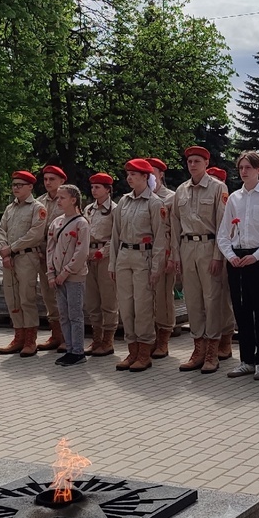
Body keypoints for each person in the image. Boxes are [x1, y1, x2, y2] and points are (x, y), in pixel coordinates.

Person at [217, 152, 259, 380]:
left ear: (258, 170)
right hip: (237, 259)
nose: (244, 171)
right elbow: (223, 234)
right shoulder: (234, 198)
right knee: (241, 311)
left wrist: (257, 255)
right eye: (241, 167)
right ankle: (246, 359)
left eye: (249, 167)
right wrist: (230, 255)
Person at [169, 147, 229, 373]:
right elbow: (175, 224)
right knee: (193, 301)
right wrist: (176, 255)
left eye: (197, 161)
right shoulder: (181, 190)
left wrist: (217, 256)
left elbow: (223, 223)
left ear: (206, 163)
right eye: (189, 161)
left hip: (208, 245)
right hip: (187, 247)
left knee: (212, 300)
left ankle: (213, 350)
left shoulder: (217, 187)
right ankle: (198, 348)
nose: (192, 165)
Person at [110, 158, 166, 372]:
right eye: (128, 174)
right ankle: (132, 349)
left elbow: (160, 238)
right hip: (124, 255)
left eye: (134, 174)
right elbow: (115, 235)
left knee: (142, 306)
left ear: (145, 177)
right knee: (125, 305)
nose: (129, 178)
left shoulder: (154, 203)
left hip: (144, 257)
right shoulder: (123, 202)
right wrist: (112, 263)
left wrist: (156, 268)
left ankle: (144, 351)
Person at [0, 170, 48, 357]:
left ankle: (30, 340)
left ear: (30, 187)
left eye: (20, 185)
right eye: (14, 185)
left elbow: (35, 234)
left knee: (26, 297)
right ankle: (18, 335)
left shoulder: (37, 207)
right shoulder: (10, 208)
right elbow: (1, 230)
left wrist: (12, 248)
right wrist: (5, 251)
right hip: (9, 258)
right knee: (12, 297)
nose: (16, 188)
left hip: (26, 257)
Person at [47, 185, 90, 366]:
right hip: (57, 275)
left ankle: (78, 351)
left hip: (73, 276)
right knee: (63, 314)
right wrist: (51, 273)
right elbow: (50, 248)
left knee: (75, 314)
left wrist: (65, 272)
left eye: (62, 198)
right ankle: (69, 347)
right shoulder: (56, 222)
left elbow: (81, 252)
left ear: (74, 200)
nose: (58, 201)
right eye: (58, 198)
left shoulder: (81, 223)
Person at [82, 172, 118, 357]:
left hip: (106, 257)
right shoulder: (88, 209)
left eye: (98, 187)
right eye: (92, 187)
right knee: (92, 300)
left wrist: (101, 252)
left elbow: (116, 236)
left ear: (108, 189)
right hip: (88, 256)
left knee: (108, 300)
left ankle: (108, 340)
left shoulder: (115, 209)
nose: (94, 190)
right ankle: (96, 339)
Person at [35, 165, 69, 352]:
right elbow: (36, 228)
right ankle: (55, 334)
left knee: (63, 297)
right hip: (43, 256)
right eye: (46, 179)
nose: (48, 182)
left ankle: (66, 336)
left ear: (62, 181)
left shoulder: (69, 200)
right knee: (48, 297)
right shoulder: (40, 202)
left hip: (63, 257)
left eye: (52, 179)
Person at [147, 157, 177, 359]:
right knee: (145, 298)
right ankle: (148, 338)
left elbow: (175, 230)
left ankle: (164, 338)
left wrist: (172, 256)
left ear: (161, 174)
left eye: (153, 173)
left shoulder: (171, 198)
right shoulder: (141, 197)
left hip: (164, 252)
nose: (149, 176)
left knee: (164, 297)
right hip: (143, 253)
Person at [208, 165, 238, 360]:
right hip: (201, 249)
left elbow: (227, 229)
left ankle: (225, 339)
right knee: (208, 299)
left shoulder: (225, 198)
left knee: (223, 299)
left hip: (223, 252)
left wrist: (221, 254)